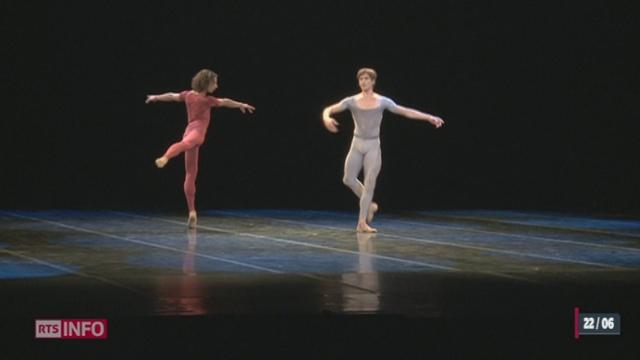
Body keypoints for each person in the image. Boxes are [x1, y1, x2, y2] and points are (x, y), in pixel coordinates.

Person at [322, 68, 444, 232]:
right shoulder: (351, 101)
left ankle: (362, 222)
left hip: (373, 145)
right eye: (361, 79)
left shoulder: (382, 101)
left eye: (367, 79)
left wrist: (429, 117)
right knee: (348, 179)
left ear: (373, 81)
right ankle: (370, 205)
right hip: (357, 143)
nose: (363, 82)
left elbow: (405, 111)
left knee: (370, 183)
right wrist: (326, 118)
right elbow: (328, 109)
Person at [146, 69, 255, 228]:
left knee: (190, 173)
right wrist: (241, 104)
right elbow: (225, 101)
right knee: (186, 146)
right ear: (207, 83)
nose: (216, 86)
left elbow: (171, 96)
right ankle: (165, 157)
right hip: (197, 133)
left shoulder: (188, 95)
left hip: (189, 130)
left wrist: (156, 97)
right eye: (215, 83)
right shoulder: (208, 100)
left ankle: (192, 212)